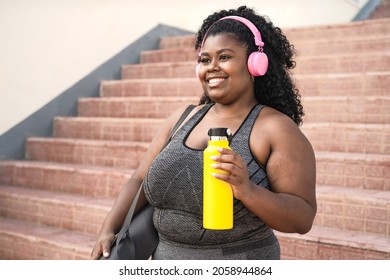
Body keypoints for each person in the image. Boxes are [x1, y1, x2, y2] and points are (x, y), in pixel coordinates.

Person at [91, 5, 316, 260]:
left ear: (255, 63)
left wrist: (247, 190)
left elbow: (302, 217)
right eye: (205, 59)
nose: (212, 67)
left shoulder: (275, 129)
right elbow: (138, 179)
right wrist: (108, 229)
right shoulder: (183, 118)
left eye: (225, 57)